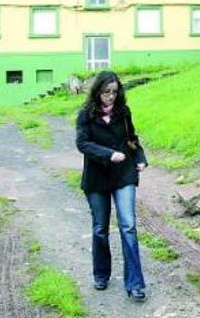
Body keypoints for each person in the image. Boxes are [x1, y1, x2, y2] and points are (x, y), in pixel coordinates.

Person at [75, 70, 148, 301]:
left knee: (128, 226)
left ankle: (135, 284)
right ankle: (101, 275)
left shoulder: (123, 112)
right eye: (106, 92)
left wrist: (140, 158)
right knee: (100, 229)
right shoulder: (85, 114)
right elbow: (83, 143)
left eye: (115, 92)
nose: (111, 96)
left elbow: (132, 139)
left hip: (123, 175)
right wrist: (108, 154)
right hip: (96, 178)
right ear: (98, 92)